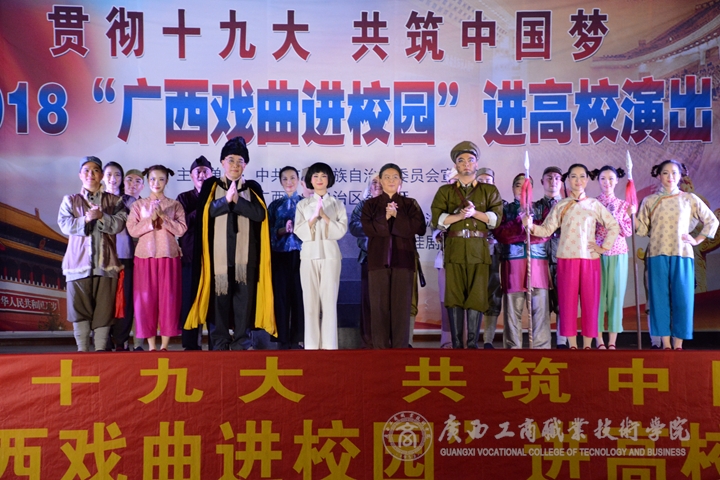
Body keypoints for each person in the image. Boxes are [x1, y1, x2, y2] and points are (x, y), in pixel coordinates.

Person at [188, 136, 275, 350]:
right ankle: (219, 342)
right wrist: (225, 201)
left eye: (240, 161)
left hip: (246, 259)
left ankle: (241, 342)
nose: (235, 165)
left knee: (244, 303)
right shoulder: (211, 185)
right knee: (219, 302)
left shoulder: (252, 188)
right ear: (222, 162)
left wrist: (238, 201)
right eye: (230, 160)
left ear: (245, 165)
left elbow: (260, 215)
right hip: (218, 258)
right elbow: (206, 213)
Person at [524, 164, 620, 350]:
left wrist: (603, 247)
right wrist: (530, 226)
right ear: (567, 180)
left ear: (587, 179)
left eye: (582, 176)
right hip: (566, 259)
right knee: (567, 304)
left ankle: (587, 345)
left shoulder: (594, 204)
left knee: (590, 303)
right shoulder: (561, 205)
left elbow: (613, 226)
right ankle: (573, 345)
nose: (578, 180)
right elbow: (546, 230)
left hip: (590, 260)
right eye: (573, 176)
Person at [636, 159, 718, 350]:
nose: (670, 176)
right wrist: (632, 213)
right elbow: (641, 230)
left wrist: (697, 239)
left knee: (683, 299)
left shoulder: (689, 199)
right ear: (658, 176)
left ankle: (678, 343)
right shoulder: (649, 201)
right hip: (657, 254)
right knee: (659, 300)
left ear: (680, 176)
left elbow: (712, 221)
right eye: (665, 173)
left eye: (674, 173)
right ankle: (665, 343)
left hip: (682, 254)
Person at [430, 141, 503, 349]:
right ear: (456, 165)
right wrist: (459, 216)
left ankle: (472, 345)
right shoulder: (445, 191)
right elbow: (438, 219)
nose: (466, 164)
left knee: (477, 295)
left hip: (478, 249)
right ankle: (456, 345)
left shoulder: (488, 190)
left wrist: (474, 213)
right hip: (454, 248)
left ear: (476, 164)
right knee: (453, 295)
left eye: (470, 160)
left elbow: (495, 219)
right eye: (461, 161)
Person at [58, 156, 127, 352]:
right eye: (86, 170)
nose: (91, 174)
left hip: (106, 265)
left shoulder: (115, 201)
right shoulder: (70, 200)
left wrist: (102, 216)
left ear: (101, 175)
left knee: (104, 311)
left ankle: (100, 352)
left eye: (95, 170)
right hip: (77, 265)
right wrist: (85, 220)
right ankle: (82, 351)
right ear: (80, 175)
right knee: (79, 310)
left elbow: (120, 224)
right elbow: (64, 224)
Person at [361, 163, 426, 348]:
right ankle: (380, 350)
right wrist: (386, 218)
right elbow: (368, 229)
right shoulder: (370, 205)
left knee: (401, 309)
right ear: (381, 181)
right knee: (378, 308)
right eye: (387, 177)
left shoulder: (410, 204)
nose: (391, 180)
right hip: (377, 262)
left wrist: (397, 215)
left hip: (403, 261)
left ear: (401, 182)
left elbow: (420, 228)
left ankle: (400, 350)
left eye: (395, 177)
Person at [127, 165, 187, 351]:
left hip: (169, 255)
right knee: (145, 300)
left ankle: (165, 345)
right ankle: (152, 345)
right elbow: (132, 230)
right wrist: (150, 220)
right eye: (152, 179)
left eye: (161, 179)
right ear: (147, 181)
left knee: (169, 299)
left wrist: (163, 217)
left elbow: (181, 230)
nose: (156, 183)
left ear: (166, 181)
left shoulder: (175, 205)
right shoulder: (138, 205)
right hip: (144, 257)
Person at [494, 174, 551, 349]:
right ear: (513, 188)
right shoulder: (505, 209)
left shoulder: (541, 208)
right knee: (512, 312)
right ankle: (513, 349)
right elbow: (501, 234)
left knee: (540, 311)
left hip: (537, 264)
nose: (522, 189)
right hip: (513, 264)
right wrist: (520, 223)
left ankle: (541, 349)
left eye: (527, 186)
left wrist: (531, 227)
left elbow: (546, 234)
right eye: (518, 185)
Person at [294, 162, 348, 350]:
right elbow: (299, 231)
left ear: (329, 179)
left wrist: (324, 216)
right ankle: (311, 346)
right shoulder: (302, 204)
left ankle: (330, 346)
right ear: (310, 180)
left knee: (329, 302)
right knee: (310, 303)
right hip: (309, 256)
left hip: (330, 256)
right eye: (315, 176)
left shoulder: (337, 204)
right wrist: (313, 217)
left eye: (323, 176)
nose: (319, 179)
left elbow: (341, 230)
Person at [593, 166, 635, 349]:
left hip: (618, 253)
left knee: (616, 296)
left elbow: (627, 231)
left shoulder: (624, 205)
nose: (607, 182)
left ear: (617, 181)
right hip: (597, 253)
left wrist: (625, 214)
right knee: (597, 297)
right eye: (603, 178)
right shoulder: (592, 204)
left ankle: (612, 341)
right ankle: (599, 340)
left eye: (611, 178)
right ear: (598, 181)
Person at [176, 156, 213, 350]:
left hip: (213, 256)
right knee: (190, 299)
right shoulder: (183, 198)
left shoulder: (219, 196)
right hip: (190, 256)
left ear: (212, 175)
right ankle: (191, 344)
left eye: (205, 171)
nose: (201, 175)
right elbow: (183, 225)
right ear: (191, 176)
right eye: (198, 172)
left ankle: (217, 343)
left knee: (213, 300)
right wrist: (203, 206)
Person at [267, 166, 305, 349]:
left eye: (292, 178)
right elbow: (267, 232)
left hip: (302, 255)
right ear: (280, 182)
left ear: (298, 180)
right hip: (279, 255)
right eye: (285, 179)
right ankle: (281, 338)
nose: (289, 182)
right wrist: (282, 230)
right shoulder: (275, 205)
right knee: (280, 297)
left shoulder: (306, 204)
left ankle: (297, 338)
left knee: (299, 295)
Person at [101, 161, 136, 351]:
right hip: (102, 258)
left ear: (122, 179)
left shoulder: (129, 201)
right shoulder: (96, 199)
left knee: (125, 300)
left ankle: (121, 340)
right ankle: (103, 340)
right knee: (104, 300)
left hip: (125, 256)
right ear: (102, 177)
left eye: (117, 175)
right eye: (109, 174)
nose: (113, 179)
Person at [349, 173, 382, 348]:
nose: (377, 185)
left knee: (385, 301)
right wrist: (375, 227)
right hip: (368, 258)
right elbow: (354, 227)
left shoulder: (394, 205)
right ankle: (368, 341)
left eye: (380, 181)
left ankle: (385, 341)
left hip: (388, 259)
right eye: (374, 182)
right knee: (368, 301)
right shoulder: (363, 205)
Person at [534, 166, 565, 347]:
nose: (553, 181)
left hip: (563, 257)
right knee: (541, 305)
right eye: (549, 178)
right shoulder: (535, 207)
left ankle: (562, 341)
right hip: (541, 259)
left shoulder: (569, 205)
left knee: (563, 301)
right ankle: (542, 343)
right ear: (542, 182)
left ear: (561, 182)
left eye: (557, 178)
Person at [475, 167, 502, 349]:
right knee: (474, 294)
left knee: (493, 295)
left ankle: (488, 340)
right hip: (473, 254)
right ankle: (471, 339)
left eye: (488, 180)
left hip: (495, 254)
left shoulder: (501, 204)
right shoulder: (468, 206)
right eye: (481, 180)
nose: (485, 184)